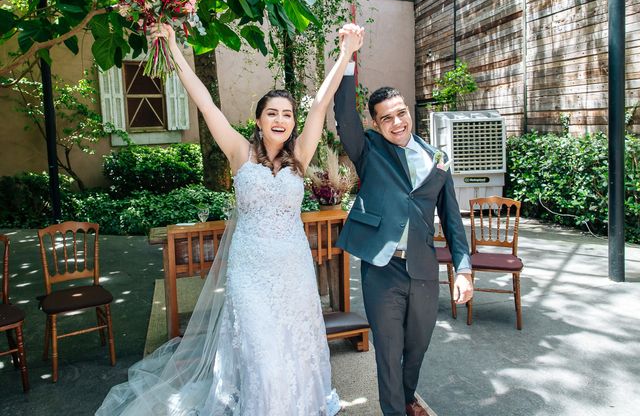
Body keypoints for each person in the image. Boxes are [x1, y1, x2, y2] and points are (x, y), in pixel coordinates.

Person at [96, 23, 364, 415]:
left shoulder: (301, 156)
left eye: (287, 114)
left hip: (292, 269)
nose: (281, 119)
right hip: (250, 271)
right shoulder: (239, 152)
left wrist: (345, 54)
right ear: (258, 120)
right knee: (259, 350)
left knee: (292, 342)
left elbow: (321, 103)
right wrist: (172, 48)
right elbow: (205, 103)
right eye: (272, 112)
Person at [333, 68, 474, 416]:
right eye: (387, 119)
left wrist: (464, 269)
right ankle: (395, 410)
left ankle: (407, 399)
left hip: (423, 268)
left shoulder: (438, 159)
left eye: (401, 113)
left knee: (417, 347)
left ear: (409, 111)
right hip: (382, 268)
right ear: (377, 124)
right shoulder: (369, 151)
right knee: (388, 349)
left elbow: (454, 223)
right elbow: (344, 116)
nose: (397, 123)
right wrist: (347, 60)